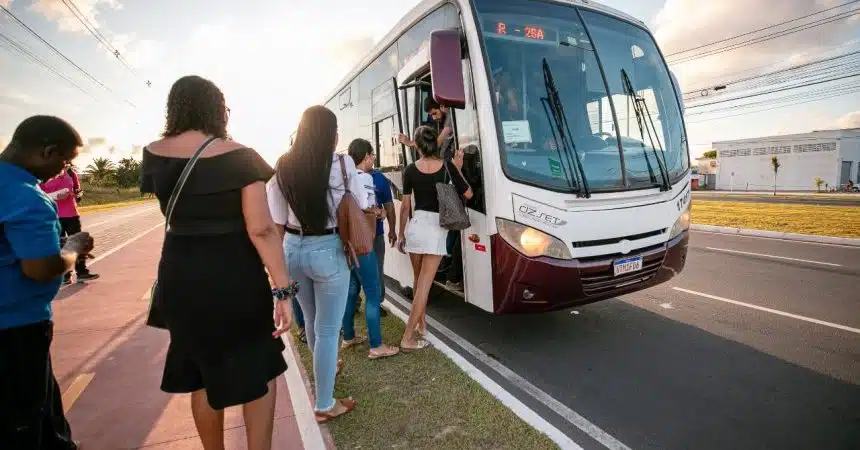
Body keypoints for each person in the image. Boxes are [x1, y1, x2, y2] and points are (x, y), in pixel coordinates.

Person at [140, 75, 294, 450]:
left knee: (201, 372)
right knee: (261, 368)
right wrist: (283, 290)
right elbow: (261, 229)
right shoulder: (240, 155)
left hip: (180, 274)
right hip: (234, 275)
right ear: (217, 109)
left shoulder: (153, 152)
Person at [1, 115, 94, 450]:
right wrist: (73, 248)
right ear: (48, 152)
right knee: (27, 421)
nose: (63, 169)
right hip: (16, 329)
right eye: (64, 160)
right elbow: (40, 268)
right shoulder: (27, 198)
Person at [267, 105, 364, 423]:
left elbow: (276, 223)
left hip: (292, 249)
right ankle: (324, 403)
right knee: (326, 329)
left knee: (310, 320)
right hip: (329, 249)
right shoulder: (343, 162)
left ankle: (325, 370)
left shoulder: (283, 166)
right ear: (331, 134)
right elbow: (361, 204)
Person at [397, 126, 472, 350]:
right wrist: (457, 169)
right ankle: (408, 338)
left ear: (417, 146)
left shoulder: (410, 170)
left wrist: (401, 234)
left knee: (417, 280)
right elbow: (468, 193)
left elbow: (405, 207)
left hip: (416, 226)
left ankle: (422, 325)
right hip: (436, 230)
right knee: (423, 287)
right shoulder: (447, 167)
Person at [340, 139, 400, 359]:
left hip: (346, 241)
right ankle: (377, 345)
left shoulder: (342, 177)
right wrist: (381, 214)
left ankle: (348, 336)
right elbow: (368, 207)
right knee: (373, 294)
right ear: (366, 156)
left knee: (352, 289)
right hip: (363, 241)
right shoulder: (364, 178)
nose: (373, 159)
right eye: (372, 155)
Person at [40, 163, 99, 284]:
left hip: (72, 214)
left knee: (79, 243)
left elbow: (78, 191)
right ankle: (65, 276)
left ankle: (82, 272)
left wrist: (78, 194)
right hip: (54, 215)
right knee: (60, 246)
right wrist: (55, 196)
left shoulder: (71, 173)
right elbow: (39, 195)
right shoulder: (44, 175)